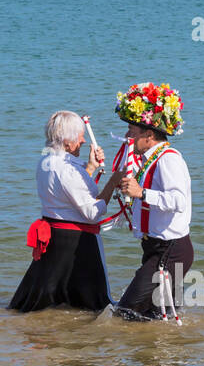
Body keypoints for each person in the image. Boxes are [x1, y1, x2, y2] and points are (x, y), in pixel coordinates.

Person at [8, 111, 122, 313]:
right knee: (98, 304)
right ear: (67, 141)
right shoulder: (68, 169)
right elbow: (92, 213)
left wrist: (91, 168)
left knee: (45, 297)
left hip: (55, 237)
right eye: (80, 136)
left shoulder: (45, 161)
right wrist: (112, 183)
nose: (84, 140)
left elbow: (67, 193)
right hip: (78, 241)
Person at [113, 82, 192, 322]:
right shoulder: (150, 158)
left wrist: (142, 193)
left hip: (170, 251)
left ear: (149, 136)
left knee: (125, 313)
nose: (127, 137)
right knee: (158, 315)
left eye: (132, 132)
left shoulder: (169, 159)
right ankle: (160, 356)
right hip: (156, 249)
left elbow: (178, 200)